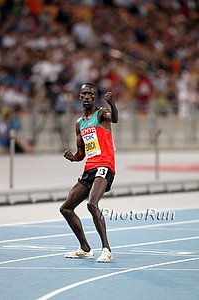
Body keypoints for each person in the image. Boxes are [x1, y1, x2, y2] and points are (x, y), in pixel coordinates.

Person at [60, 82, 118, 262]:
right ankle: (85, 248)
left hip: (105, 165)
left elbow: (114, 119)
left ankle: (106, 249)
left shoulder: (101, 114)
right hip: (89, 168)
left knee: (92, 204)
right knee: (66, 208)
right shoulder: (79, 124)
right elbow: (81, 154)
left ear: (95, 97)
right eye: (83, 93)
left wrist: (113, 105)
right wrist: (73, 157)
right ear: (80, 97)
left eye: (90, 94)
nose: (86, 97)